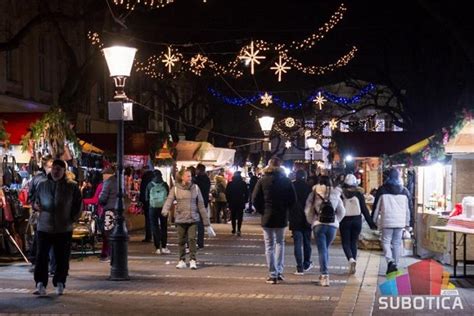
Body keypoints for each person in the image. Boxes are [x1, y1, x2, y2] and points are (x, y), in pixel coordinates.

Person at [33, 159, 82, 296]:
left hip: (63, 228)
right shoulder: (42, 185)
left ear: (64, 171)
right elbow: (35, 201)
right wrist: (36, 206)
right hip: (44, 227)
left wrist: (72, 219)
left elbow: (78, 205)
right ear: (51, 169)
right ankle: (40, 283)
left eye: (59, 169)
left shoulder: (72, 186)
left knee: (62, 258)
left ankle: (60, 282)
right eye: (54, 168)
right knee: (41, 257)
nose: (56, 171)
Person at [252, 158, 296, 284]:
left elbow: (255, 199)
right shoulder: (286, 181)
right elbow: (293, 199)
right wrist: (286, 210)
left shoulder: (262, 180)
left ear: (269, 166)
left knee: (269, 245)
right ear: (280, 166)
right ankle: (279, 272)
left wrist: (262, 210)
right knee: (280, 243)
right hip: (281, 216)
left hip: (267, 216)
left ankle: (272, 274)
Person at [162, 169, 210, 270]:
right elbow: (169, 199)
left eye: (190, 176)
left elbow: (201, 205)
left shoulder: (195, 188)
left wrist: (206, 222)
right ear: (182, 177)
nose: (190, 178)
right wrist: (165, 210)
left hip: (193, 218)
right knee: (181, 240)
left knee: (192, 239)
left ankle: (193, 260)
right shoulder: (175, 189)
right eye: (188, 176)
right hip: (180, 218)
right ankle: (182, 260)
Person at [305, 175, 345, 287]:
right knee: (325, 250)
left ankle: (324, 275)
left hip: (319, 225)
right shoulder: (336, 193)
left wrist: (311, 221)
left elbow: (308, 208)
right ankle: (324, 274)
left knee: (322, 250)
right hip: (332, 226)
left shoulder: (314, 192)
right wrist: (336, 220)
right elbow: (342, 210)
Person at [372, 168, 411, 274]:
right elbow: (408, 209)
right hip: (400, 222)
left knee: (385, 241)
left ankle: (390, 261)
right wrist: (408, 223)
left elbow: (376, 207)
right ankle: (396, 265)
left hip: (387, 221)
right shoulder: (405, 191)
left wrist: (373, 220)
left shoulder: (382, 190)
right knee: (397, 243)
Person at [340, 174, 377, 274]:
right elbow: (364, 210)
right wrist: (371, 224)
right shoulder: (359, 194)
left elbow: (337, 208)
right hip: (357, 221)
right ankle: (354, 261)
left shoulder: (341, 194)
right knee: (354, 242)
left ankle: (350, 259)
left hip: (345, 221)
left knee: (345, 243)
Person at [27, 155, 53, 273]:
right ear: (45, 167)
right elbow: (33, 197)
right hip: (41, 213)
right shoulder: (41, 180)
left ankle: (37, 261)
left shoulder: (39, 178)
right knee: (40, 238)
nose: (52, 169)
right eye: (50, 167)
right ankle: (37, 262)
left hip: (42, 212)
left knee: (40, 238)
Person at [289, 170, 313, 275]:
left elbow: (288, 201)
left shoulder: (291, 186)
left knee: (297, 243)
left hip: (295, 217)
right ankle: (306, 263)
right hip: (307, 217)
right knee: (307, 242)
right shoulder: (309, 188)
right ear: (305, 176)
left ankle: (299, 267)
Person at [146, 169, 170, 255]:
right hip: (163, 207)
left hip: (152, 207)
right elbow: (169, 196)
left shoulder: (150, 185)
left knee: (154, 226)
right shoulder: (165, 184)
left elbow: (146, 198)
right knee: (164, 226)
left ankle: (157, 248)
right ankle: (164, 246)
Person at [98, 166, 118, 262]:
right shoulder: (117, 182)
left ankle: (110, 254)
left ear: (107, 175)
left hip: (109, 211)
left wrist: (100, 200)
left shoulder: (108, 182)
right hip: (117, 210)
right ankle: (113, 253)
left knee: (108, 233)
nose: (103, 177)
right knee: (114, 232)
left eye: (103, 175)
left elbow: (102, 198)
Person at [225, 171, 249, 236]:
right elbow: (246, 193)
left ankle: (233, 229)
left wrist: (228, 200)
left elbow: (227, 193)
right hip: (240, 201)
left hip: (232, 202)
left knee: (233, 216)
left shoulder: (230, 183)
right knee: (240, 216)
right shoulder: (243, 183)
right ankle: (239, 229)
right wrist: (245, 201)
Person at [193, 164, 211, 248]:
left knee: (192, 223)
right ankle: (200, 242)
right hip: (204, 203)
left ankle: (192, 242)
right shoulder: (207, 180)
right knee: (201, 224)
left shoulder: (196, 180)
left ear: (199, 170)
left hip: (195, 203)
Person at [139, 166, 154, 242]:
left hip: (147, 201)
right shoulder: (154, 177)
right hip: (155, 202)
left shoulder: (145, 178)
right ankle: (155, 236)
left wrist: (141, 200)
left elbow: (143, 190)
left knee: (148, 219)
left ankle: (149, 236)